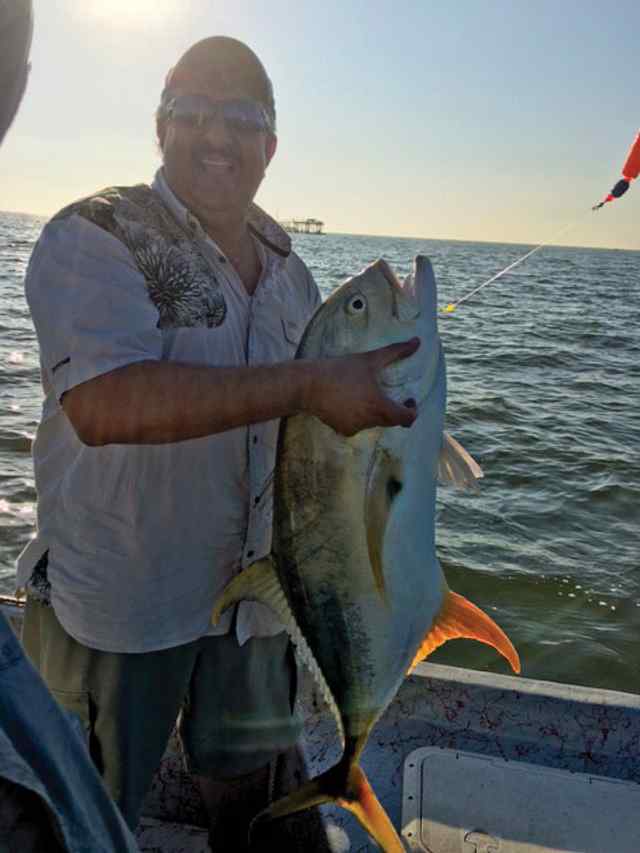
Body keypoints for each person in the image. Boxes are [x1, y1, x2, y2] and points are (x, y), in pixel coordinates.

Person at [19, 36, 418, 850]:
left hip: (257, 610)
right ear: (158, 127)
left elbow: (322, 439)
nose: (216, 136)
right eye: (191, 112)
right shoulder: (96, 233)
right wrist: (310, 386)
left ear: (272, 145)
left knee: (264, 817)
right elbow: (101, 403)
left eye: (241, 118)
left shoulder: (294, 278)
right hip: (117, 613)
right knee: (81, 822)